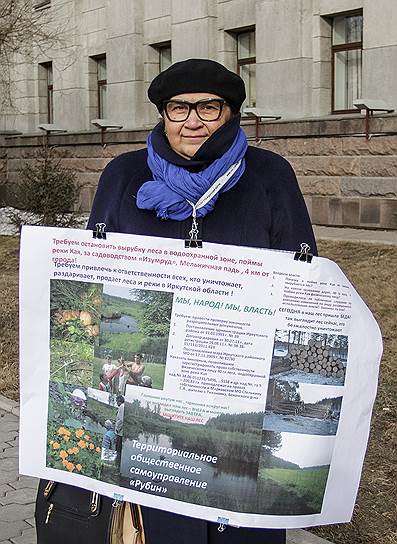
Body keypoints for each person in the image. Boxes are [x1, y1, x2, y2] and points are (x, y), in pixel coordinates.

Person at [88, 58, 317, 544]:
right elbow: (95, 270)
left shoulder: (268, 175)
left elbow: (303, 273)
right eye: (178, 108)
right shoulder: (124, 175)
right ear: (163, 114)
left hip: (237, 377)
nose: (192, 120)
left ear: (231, 113)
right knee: (163, 524)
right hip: (154, 386)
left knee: (239, 525)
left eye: (208, 108)